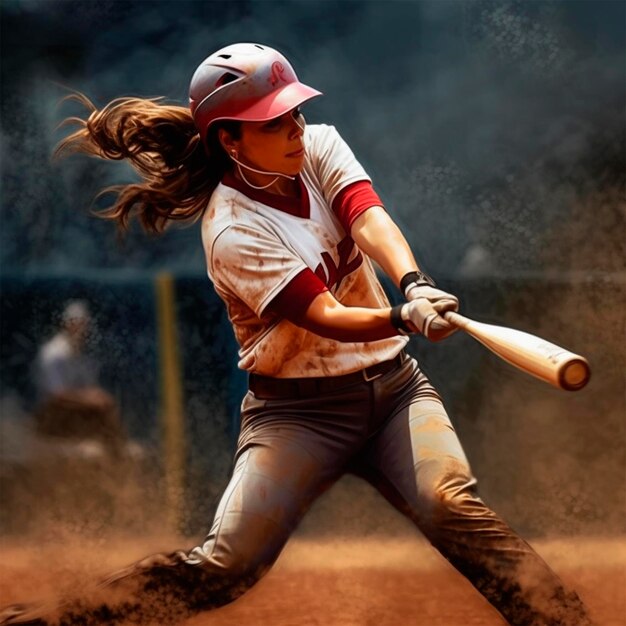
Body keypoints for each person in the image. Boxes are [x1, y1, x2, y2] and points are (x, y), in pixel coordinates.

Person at [1, 43, 593, 626]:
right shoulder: (231, 230)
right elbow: (325, 316)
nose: (294, 129)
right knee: (227, 564)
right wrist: (401, 317)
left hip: (394, 395)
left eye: (294, 113)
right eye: (272, 122)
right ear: (228, 140)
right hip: (298, 416)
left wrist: (412, 283)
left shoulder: (319, 145)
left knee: (451, 506)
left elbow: (368, 217)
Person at [33, 299, 127, 457]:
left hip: (73, 410)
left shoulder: (80, 354)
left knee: (105, 406)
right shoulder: (53, 353)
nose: (82, 329)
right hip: (51, 415)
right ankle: (117, 452)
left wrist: (95, 397)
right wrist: (91, 399)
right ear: (67, 324)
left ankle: (117, 452)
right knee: (101, 405)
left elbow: (87, 388)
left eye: (84, 324)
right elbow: (56, 395)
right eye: (77, 323)